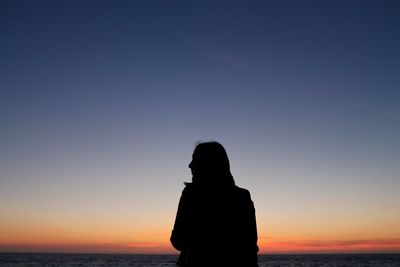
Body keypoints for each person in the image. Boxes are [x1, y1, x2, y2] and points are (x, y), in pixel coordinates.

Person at [171, 142, 259, 267]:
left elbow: (178, 239)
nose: (190, 165)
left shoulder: (191, 194)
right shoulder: (242, 196)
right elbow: (249, 249)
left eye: (195, 159)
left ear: (209, 163)